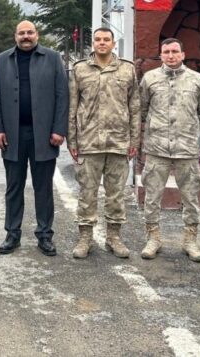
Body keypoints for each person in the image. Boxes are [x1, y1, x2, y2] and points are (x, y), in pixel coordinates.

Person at [0, 20, 68, 257]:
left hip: (44, 136)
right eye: (22, 33)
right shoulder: (3, 60)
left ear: (37, 35)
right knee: (14, 187)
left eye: (30, 32)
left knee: (43, 188)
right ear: (15, 36)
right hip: (12, 136)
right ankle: (12, 234)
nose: (26, 36)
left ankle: (45, 235)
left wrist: (59, 129)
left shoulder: (53, 58)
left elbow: (62, 95)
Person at [68, 27, 140, 259]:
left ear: (113, 44)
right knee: (87, 193)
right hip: (89, 141)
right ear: (93, 44)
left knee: (116, 194)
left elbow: (135, 106)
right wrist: (72, 139)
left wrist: (134, 139)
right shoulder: (79, 69)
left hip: (118, 141)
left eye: (106, 40)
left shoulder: (127, 69)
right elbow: (72, 107)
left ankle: (114, 237)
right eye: (97, 40)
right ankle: (85, 238)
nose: (101, 43)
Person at [137, 38, 200, 262]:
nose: (171, 55)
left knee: (190, 196)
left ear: (183, 54)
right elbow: (142, 109)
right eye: (166, 52)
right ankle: (153, 238)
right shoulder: (150, 78)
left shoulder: (197, 80)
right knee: (152, 195)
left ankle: (190, 240)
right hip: (157, 147)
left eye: (175, 51)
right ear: (161, 55)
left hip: (186, 148)